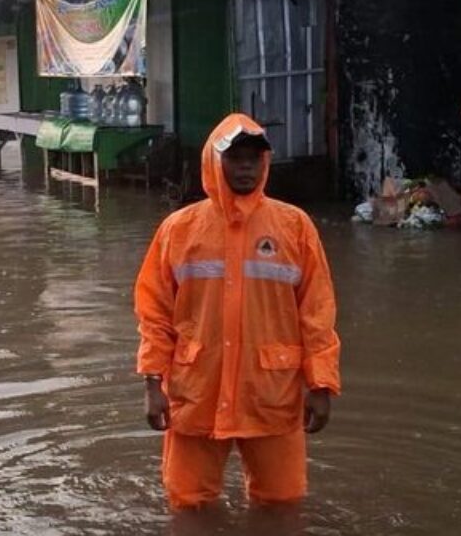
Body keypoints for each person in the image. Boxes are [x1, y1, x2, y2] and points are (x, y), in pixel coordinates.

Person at [134, 112, 341, 509]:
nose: (246, 166)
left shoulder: (295, 227)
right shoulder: (179, 229)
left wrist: (321, 386)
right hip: (197, 392)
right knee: (188, 506)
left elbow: (317, 313)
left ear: (266, 163)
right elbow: (154, 312)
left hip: (270, 394)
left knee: (282, 506)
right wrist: (151, 383)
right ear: (215, 160)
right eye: (235, 157)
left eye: (254, 157)